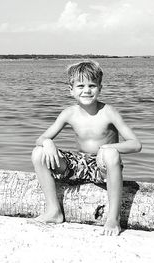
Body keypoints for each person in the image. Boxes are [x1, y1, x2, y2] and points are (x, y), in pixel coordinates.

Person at [31, 60, 142, 235]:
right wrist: (47, 142)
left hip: (102, 168)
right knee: (38, 153)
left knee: (112, 154)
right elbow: (41, 138)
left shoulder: (108, 112)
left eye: (92, 85)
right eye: (80, 86)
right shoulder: (69, 113)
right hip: (79, 164)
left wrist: (106, 148)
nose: (86, 90)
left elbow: (135, 144)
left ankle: (113, 219)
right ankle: (54, 211)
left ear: (100, 88)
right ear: (71, 90)